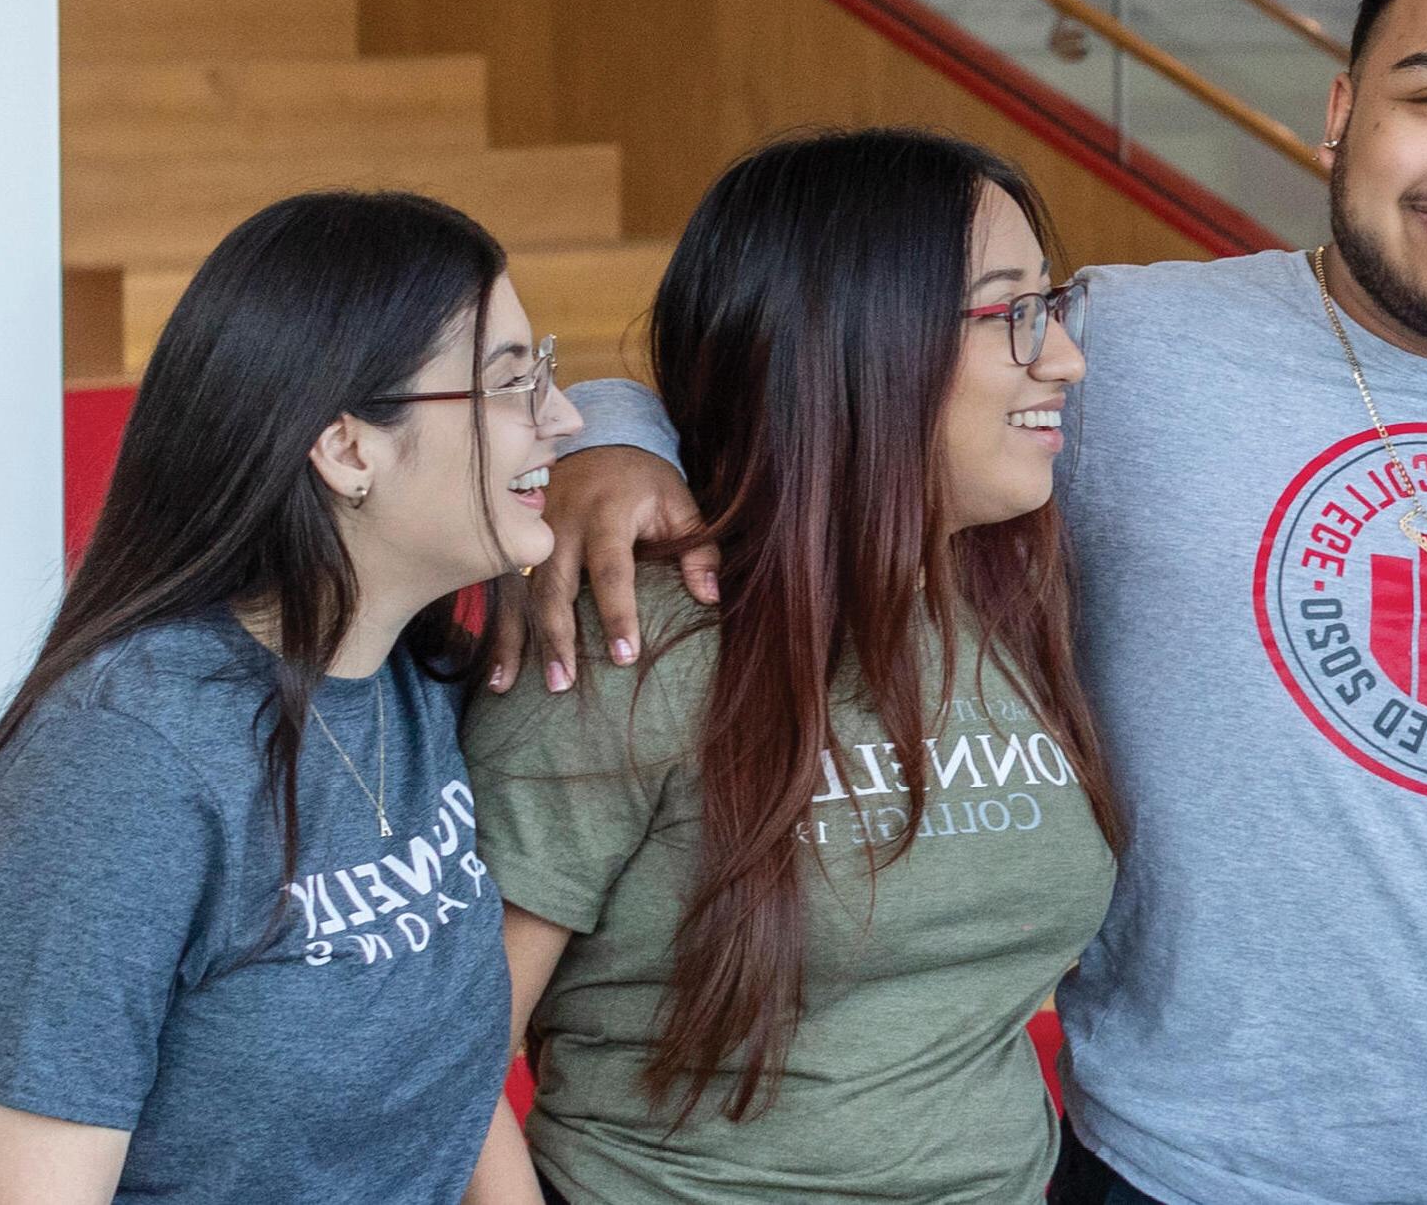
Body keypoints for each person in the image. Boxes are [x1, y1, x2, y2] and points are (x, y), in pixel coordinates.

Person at [511, 0, 1427, 1205]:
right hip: (1186, 1169)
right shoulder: (1118, 346)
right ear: (1339, 113)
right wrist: (616, 437)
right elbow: (814, 373)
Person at [0, 192, 572, 1204]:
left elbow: (445, 1080)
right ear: (349, 449)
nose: (563, 418)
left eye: (544, 372)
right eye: (510, 383)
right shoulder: (127, 763)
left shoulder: (409, 679)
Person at [465, 130, 1117, 1204]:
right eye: (1011, 313)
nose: (1064, 358)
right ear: (857, 349)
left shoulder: (1012, 607)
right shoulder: (641, 642)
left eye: (1053, 307)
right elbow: (445, 1060)